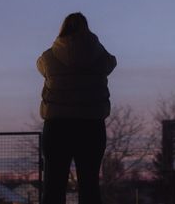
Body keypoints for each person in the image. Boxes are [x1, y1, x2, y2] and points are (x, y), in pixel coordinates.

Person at [37, 12, 117, 204]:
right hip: (91, 126)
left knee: (53, 187)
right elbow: (112, 62)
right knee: (89, 186)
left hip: (57, 127)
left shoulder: (48, 57)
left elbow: (40, 67)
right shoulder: (99, 56)